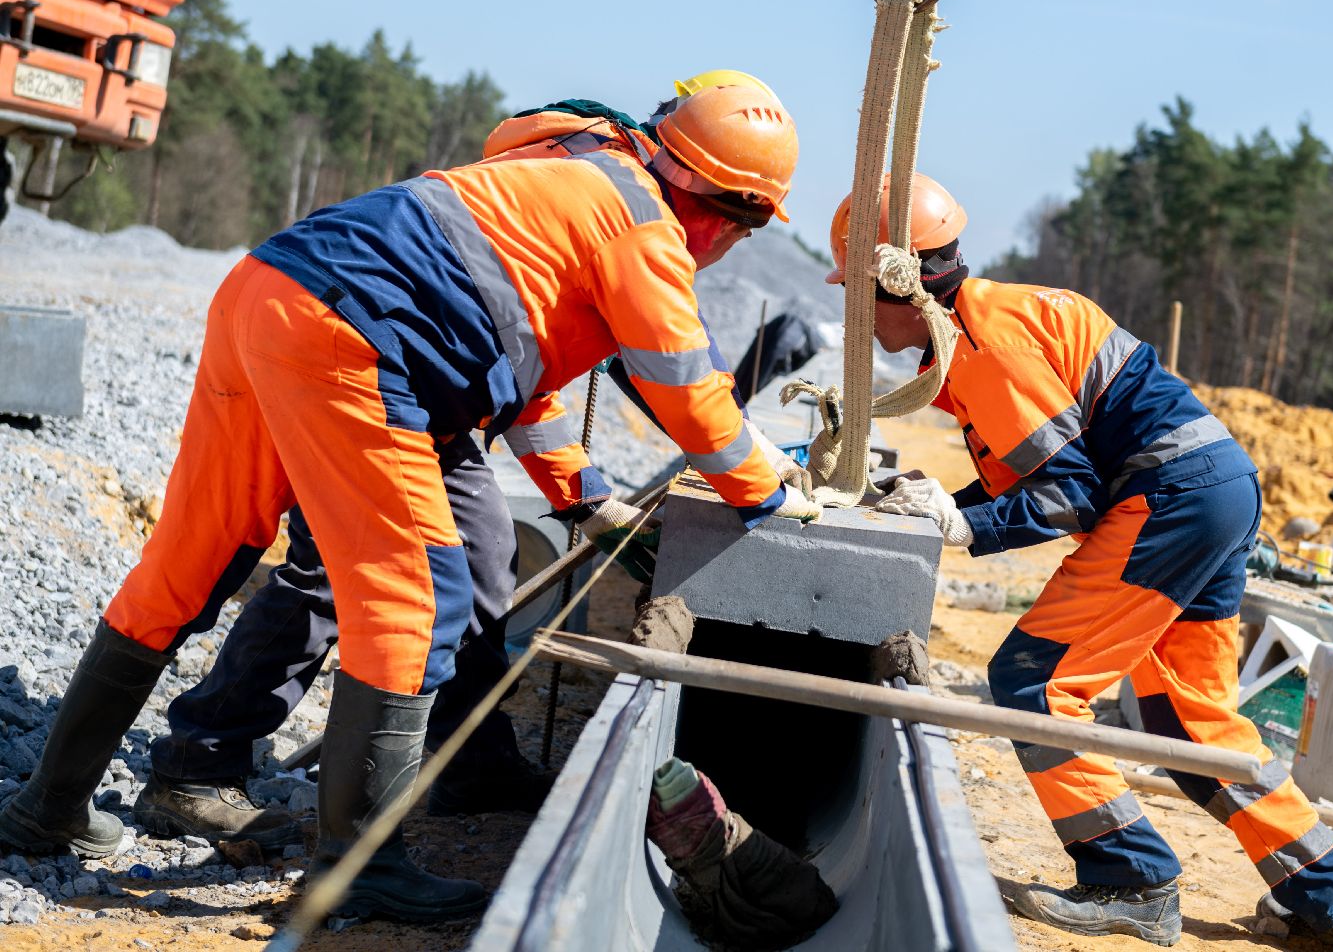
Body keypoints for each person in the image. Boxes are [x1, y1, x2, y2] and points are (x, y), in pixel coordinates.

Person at [0, 82, 820, 924]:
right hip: (354, 342)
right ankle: (361, 866)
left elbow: (524, 372)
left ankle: (47, 806)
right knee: (416, 598)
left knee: (190, 561)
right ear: (730, 213)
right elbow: (691, 397)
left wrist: (586, 499)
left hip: (266, 290)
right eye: (745, 228)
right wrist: (773, 495)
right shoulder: (644, 230)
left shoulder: (567, 171)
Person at [840, 174, 1333, 951]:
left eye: (855, 296)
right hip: (1216, 490)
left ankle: (1132, 879)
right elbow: (1032, 474)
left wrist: (961, 529)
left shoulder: (988, 347)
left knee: (1033, 683)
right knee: (1186, 718)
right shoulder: (994, 318)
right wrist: (946, 507)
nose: (854, 318)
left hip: (1170, 500)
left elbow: (1069, 496)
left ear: (895, 286)